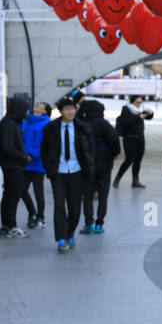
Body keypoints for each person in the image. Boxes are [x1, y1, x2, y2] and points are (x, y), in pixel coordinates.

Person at [41, 97, 95, 253]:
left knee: (75, 207)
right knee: (59, 206)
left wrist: (89, 167)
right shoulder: (51, 128)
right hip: (58, 173)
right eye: (67, 109)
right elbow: (44, 150)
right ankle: (61, 239)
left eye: (73, 109)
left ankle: (70, 232)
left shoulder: (83, 128)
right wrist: (49, 168)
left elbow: (90, 150)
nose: (71, 112)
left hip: (76, 172)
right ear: (61, 111)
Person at [0, 97, 31, 238]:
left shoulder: (9, 122)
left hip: (11, 165)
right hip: (12, 165)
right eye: (24, 110)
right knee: (13, 196)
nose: (25, 113)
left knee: (9, 195)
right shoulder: (9, 124)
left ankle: (6, 226)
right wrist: (23, 157)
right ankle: (11, 226)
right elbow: (7, 147)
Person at [78, 99, 119, 234]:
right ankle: (99, 224)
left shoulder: (82, 124)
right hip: (105, 165)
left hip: (87, 166)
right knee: (103, 195)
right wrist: (114, 153)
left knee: (88, 195)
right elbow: (114, 141)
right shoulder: (105, 125)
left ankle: (88, 223)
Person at [20, 101, 51, 230]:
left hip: (38, 164)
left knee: (39, 192)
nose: (36, 105)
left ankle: (40, 217)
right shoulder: (26, 122)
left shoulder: (46, 125)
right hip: (24, 163)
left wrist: (32, 155)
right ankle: (32, 212)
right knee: (21, 190)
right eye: (37, 104)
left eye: (40, 105)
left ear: (44, 111)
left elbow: (46, 145)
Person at [113, 96, 154, 188]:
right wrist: (139, 117)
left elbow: (149, 117)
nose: (139, 104)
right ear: (132, 102)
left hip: (140, 137)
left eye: (140, 102)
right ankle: (117, 178)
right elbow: (126, 122)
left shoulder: (142, 108)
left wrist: (150, 113)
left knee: (138, 160)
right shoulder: (126, 109)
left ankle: (135, 181)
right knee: (129, 159)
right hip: (129, 137)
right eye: (137, 102)